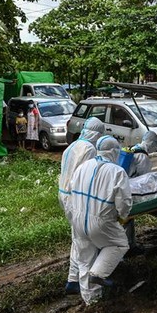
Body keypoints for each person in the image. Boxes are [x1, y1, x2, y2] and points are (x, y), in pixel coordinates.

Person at [69, 135, 132, 305]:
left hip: (78, 219)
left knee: (85, 259)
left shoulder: (82, 167)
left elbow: (72, 188)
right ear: (114, 151)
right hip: (101, 221)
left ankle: (92, 301)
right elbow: (124, 202)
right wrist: (123, 216)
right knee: (119, 243)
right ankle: (99, 273)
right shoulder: (117, 171)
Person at [58, 117, 105, 295]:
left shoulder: (71, 146)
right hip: (76, 198)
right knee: (85, 242)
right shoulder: (89, 149)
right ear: (97, 133)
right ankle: (90, 290)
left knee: (77, 236)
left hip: (64, 194)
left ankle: (72, 280)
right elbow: (87, 177)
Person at [122, 131, 157, 255]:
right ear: (152, 143)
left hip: (123, 186)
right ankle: (128, 247)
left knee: (126, 219)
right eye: (155, 145)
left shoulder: (133, 148)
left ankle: (130, 245)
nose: (155, 148)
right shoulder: (143, 157)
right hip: (130, 190)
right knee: (128, 219)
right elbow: (144, 180)